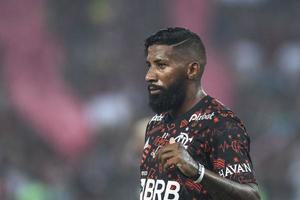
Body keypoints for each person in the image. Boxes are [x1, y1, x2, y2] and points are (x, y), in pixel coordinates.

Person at [140, 27, 260, 200]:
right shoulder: (155, 124)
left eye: (161, 65)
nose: (149, 76)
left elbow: (252, 197)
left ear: (192, 70)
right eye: (149, 65)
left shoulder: (220, 123)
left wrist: (198, 171)